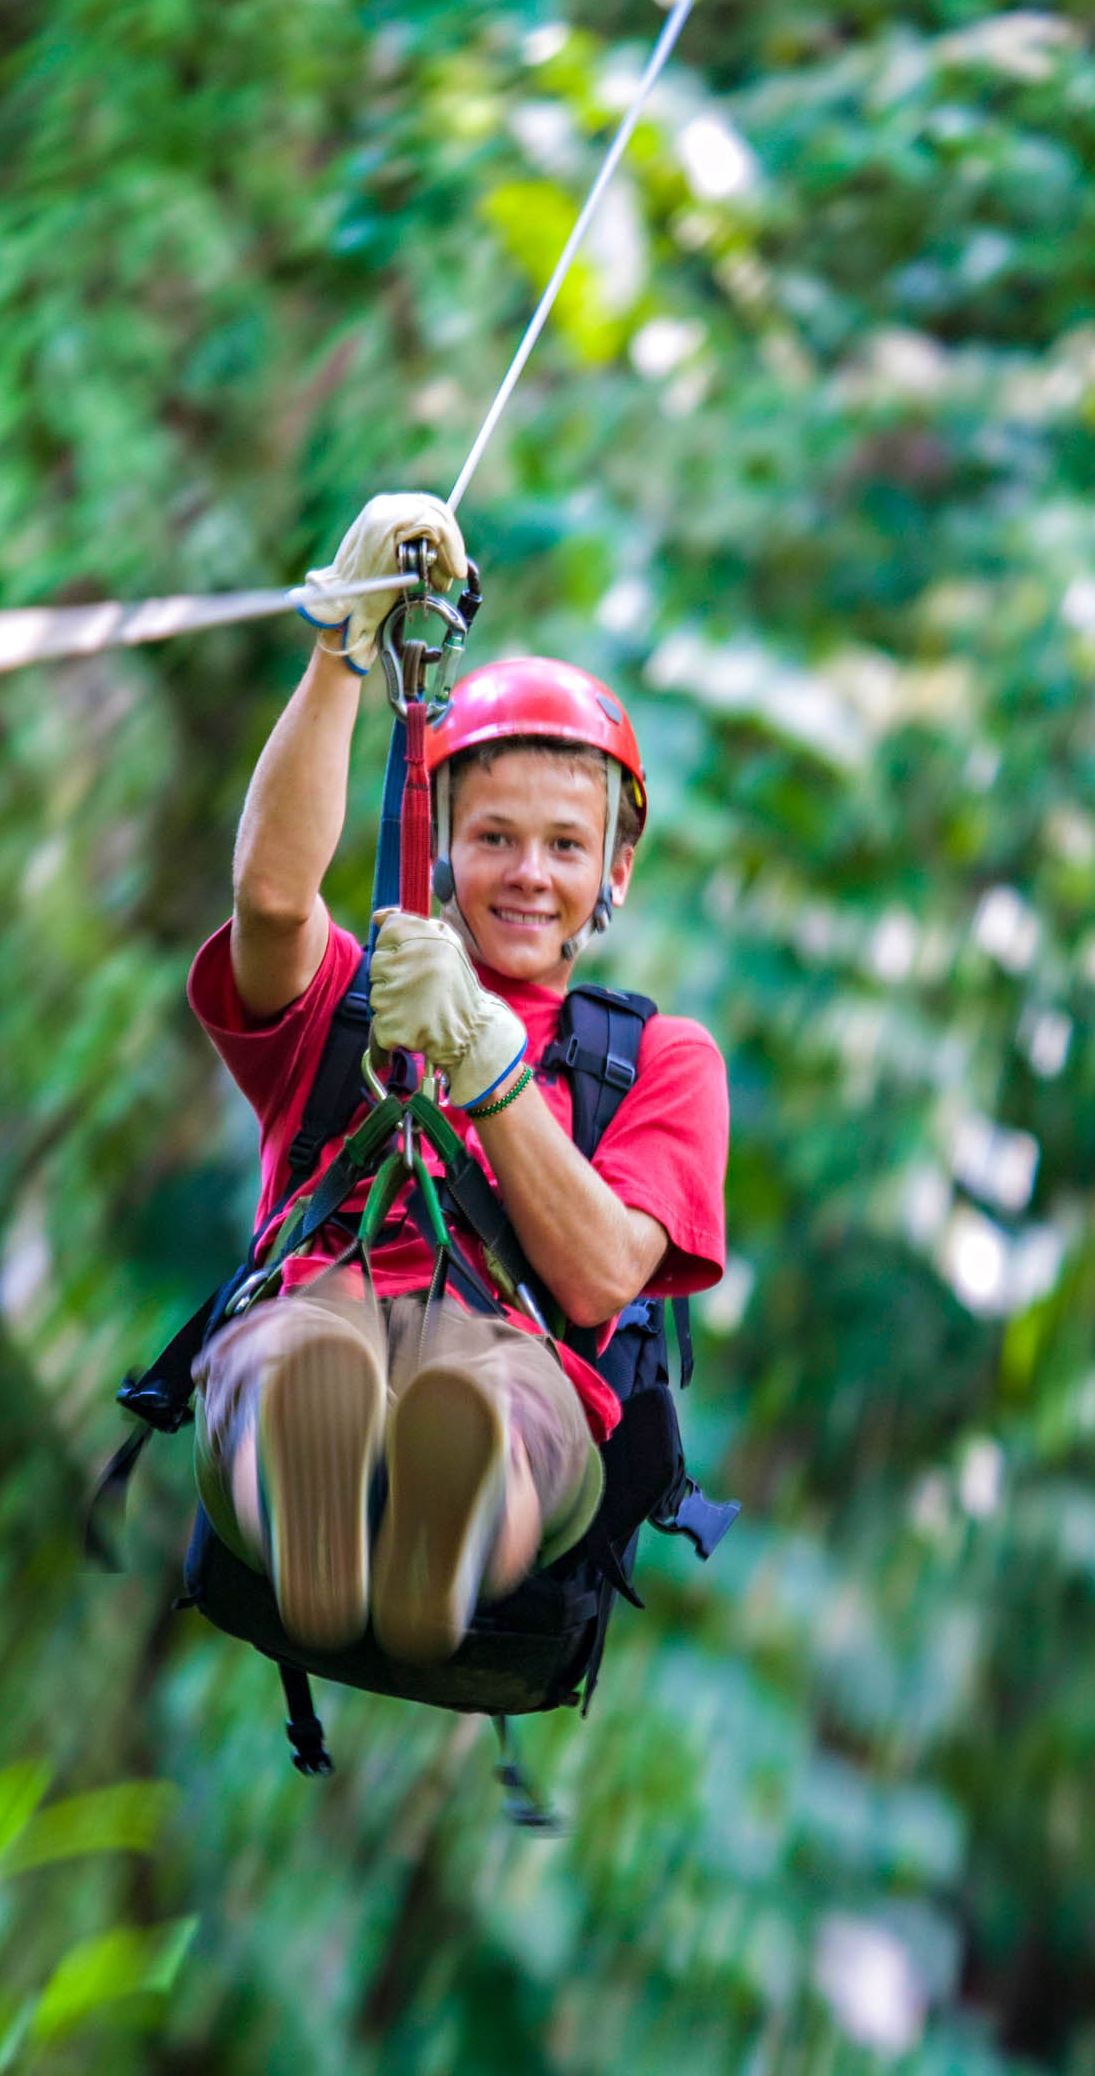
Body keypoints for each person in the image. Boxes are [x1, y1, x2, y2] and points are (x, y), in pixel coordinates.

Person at [186, 492, 729, 1671]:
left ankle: (445, 1521)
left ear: (615, 870)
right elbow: (273, 903)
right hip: (312, 1308)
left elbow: (596, 1275)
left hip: (521, 1367)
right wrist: (343, 646)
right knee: (306, 1353)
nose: (528, 875)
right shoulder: (353, 997)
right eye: (492, 838)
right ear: (442, 847)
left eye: (566, 846)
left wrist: (486, 1060)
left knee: (484, 1392)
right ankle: (324, 1497)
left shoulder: (658, 1063)